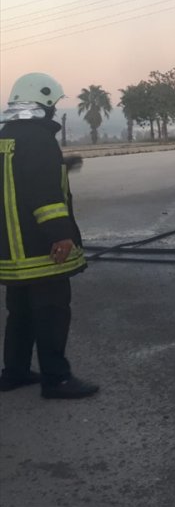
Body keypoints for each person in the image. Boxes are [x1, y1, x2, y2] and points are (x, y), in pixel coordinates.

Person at [0, 72, 99, 399]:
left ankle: (14, 372)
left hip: (10, 253)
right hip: (40, 251)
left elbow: (20, 176)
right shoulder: (39, 139)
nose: (54, 108)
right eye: (53, 103)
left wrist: (61, 163)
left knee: (20, 313)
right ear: (43, 102)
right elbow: (43, 194)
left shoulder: (6, 136)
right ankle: (56, 379)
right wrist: (61, 235)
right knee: (52, 311)